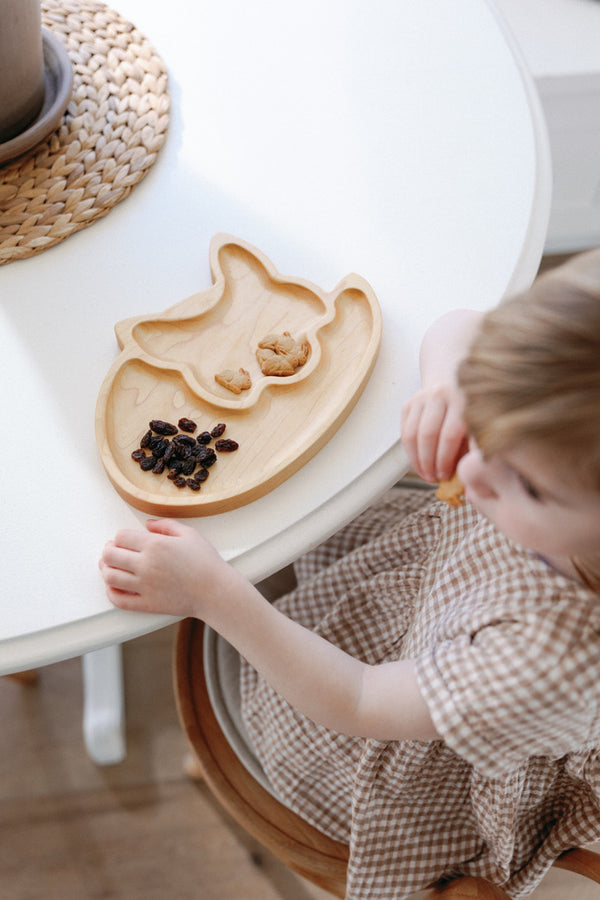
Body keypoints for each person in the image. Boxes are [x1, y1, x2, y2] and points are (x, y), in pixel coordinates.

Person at [99, 249, 600, 899]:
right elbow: (462, 326)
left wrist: (212, 594)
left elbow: (356, 698)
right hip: (419, 592)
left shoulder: (543, 661)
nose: (473, 472)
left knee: (259, 578)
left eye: (526, 484)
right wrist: (449, 381)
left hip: (386, 756)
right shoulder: (559, 423)